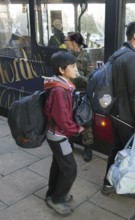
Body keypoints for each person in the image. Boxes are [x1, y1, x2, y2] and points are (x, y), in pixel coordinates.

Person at [101, 21, 135, 198]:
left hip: (114, 112)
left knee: (117, 148)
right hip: (127, 116)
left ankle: (108, 184)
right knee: (130, 153)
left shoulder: (117, 54)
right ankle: (129, 187)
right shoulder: (133, 58)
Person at [43, 51, 84, 216]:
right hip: (58, 136)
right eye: (72, 66)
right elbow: (62, 120)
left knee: (59, 165)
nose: (76, 69)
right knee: (70, 169)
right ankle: (57, 199)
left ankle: (52, 194)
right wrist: (77, 129)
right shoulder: (60, 91)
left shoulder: (62, 85)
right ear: (61, 70)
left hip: (57, 134)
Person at [65, 32, 95, 162]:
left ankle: (88, 149)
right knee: (68, 120)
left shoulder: (86, 58)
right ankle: (69, 144)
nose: (65, 42)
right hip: (67, 94)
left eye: (67, 40)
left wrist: (78, 77)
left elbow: (91, 80)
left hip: (82, 96)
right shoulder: (66, 57)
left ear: (74, 42)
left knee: (85, 122)